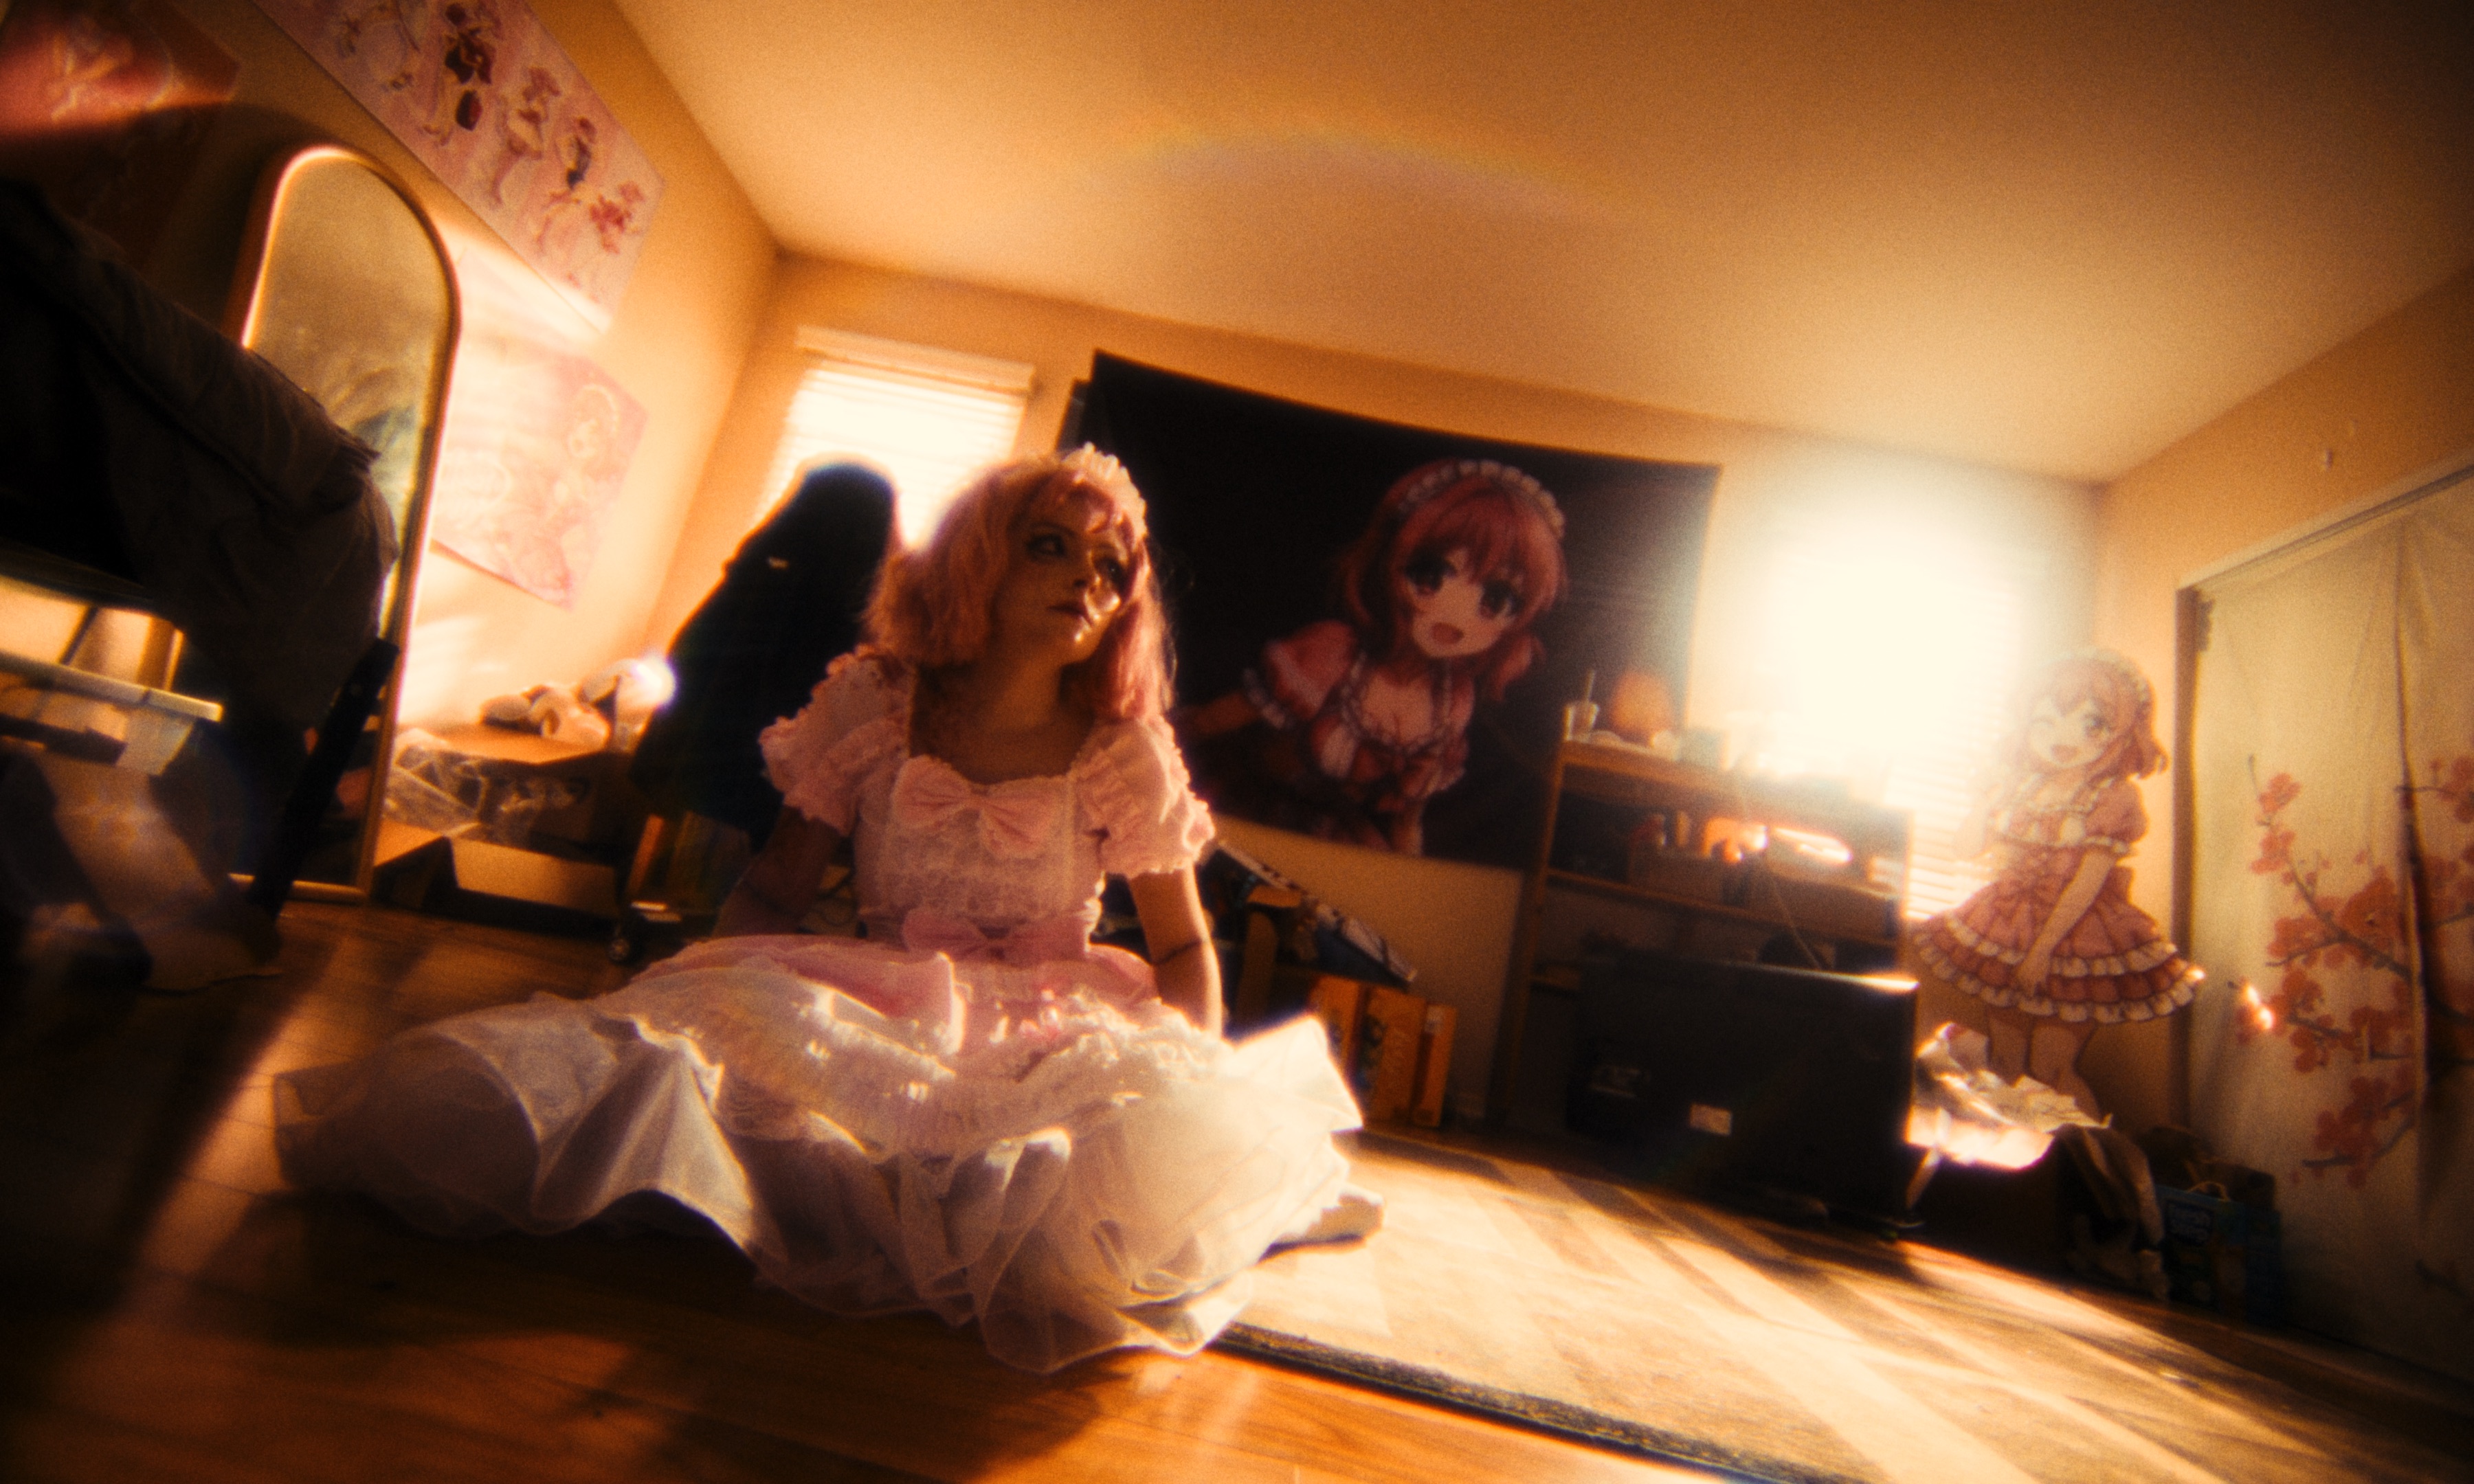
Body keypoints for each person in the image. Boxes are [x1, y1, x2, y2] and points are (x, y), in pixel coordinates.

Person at [276, 448, 1372, 1373]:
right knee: (663, 1076)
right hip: (885, 986)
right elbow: (776, 887)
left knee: (1052, 1180)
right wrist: (694, 995)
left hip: (1057, 1012)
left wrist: (1183, 1081)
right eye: (1053, 545)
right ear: (980, 558)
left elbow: (1181, 944)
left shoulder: (1122, 751)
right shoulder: (874, 701)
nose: (1090, 579)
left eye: (1113, 567)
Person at [1180, 458, 1568, 855]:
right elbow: (1219, 718)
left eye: (1496, 599)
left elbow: (1409, 820)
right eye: (1433, 574)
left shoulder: (1451, 700)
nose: (1456, 613)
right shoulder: (1333, 652)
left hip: (1331, 835)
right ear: (1393, 562)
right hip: (1248, 809)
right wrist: (1163, 744)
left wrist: (1410, 874)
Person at [1911, 649, 2201, 1113]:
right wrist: (1986, 800)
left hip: (2076, 937)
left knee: (2052, 1069)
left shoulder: (2114, 797)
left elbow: (2088, 883)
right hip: (2008, 924)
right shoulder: (2021, 786)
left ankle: (2084, 1152)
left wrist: (2042, 951)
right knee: (2006, 1064)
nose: (2064, 739)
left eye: (2091, 724)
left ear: (2121, 730)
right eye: (2045, 722)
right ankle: (2015, 1150)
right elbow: (1965, 848)